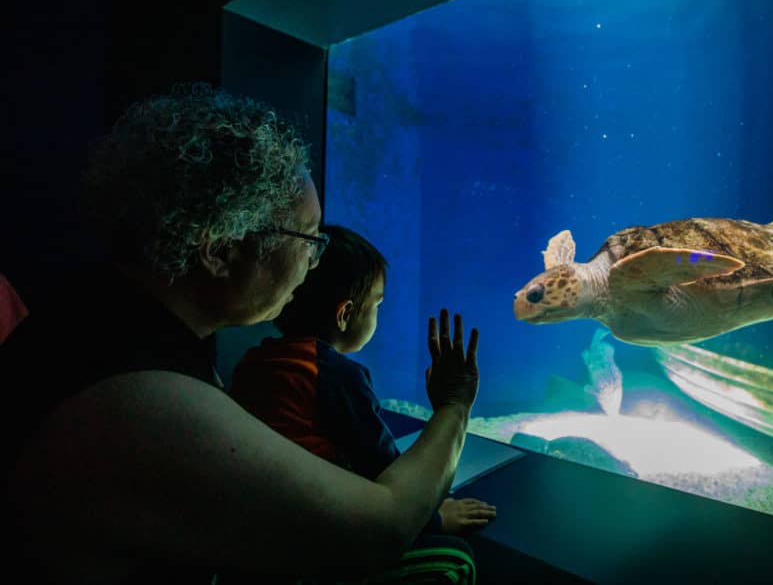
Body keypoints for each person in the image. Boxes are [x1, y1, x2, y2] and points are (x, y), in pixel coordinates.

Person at [1, 84, 480, 585]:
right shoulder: (143, 395)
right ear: (220, 249)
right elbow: (381, 527)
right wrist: (454, 404)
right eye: (307, 238)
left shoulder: (92, 316)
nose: (313, 261)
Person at [230, 225, 497, 538]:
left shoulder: (257, 360)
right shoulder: (336, 375)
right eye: (377, 304)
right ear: (345, 314)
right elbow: (384, 473)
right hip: (314, 536)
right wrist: (436, 519)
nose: (379, 313)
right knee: (455, 558)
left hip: (257, 523)